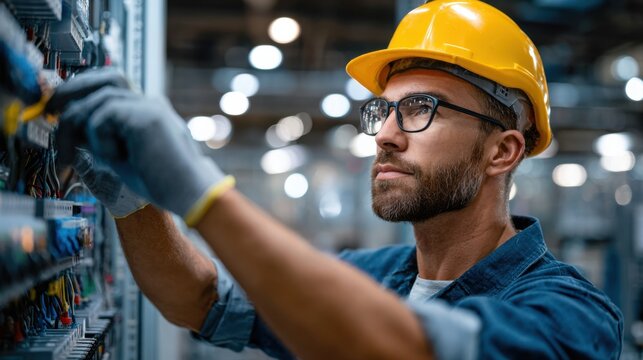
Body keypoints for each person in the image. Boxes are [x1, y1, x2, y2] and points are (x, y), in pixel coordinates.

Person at [47, 1, 623, 358]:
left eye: (421, 108)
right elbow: (202, 299)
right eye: (384, 110)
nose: (386, 135)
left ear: (502, 151)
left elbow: (404, 349)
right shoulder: (371, 277)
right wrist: (133, 202)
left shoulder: (569, 316)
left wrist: (204, 194)